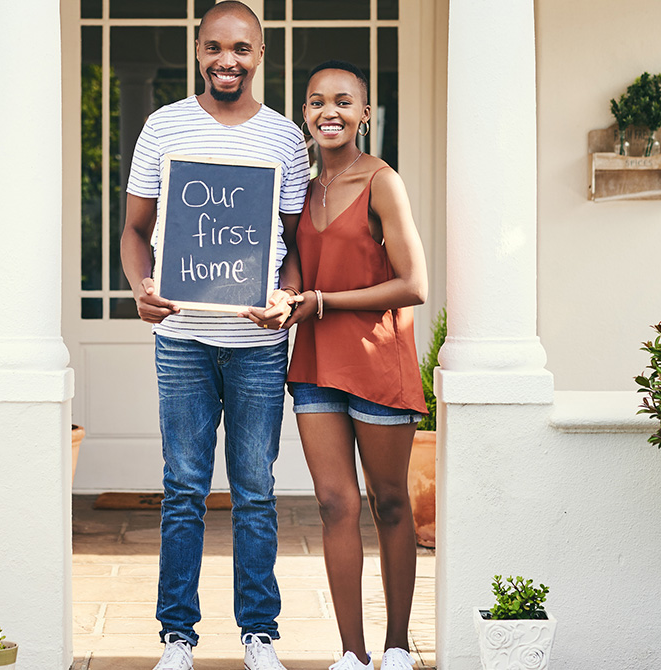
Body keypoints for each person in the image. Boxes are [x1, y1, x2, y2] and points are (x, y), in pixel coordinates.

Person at [118, 3, 310, 670]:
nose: (227, 60)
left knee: (255, 490)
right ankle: (178, 637)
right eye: (214, 47)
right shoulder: (163, 126)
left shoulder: (285, 138)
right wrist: (141, 287)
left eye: (241, 48)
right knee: (184, 490)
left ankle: (259, 634)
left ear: (260, 54)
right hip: (182, 340)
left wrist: (285, 296)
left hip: (258, 346)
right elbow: (134, 231)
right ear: (197, 50)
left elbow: (293, 246)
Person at [279, 60, 428, 670]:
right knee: (334, 506)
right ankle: (352, 653)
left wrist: (323, 302)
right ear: (305, 115)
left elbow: (414, 283)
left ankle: (396, 647)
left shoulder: (381, 181)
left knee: (389, 502)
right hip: (314, 363)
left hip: (376, 362)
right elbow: (293, 265)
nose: (329, 112)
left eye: (343, 101)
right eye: (316, 102)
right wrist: (287, 298)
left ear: (366, 114)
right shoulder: (303, 190)